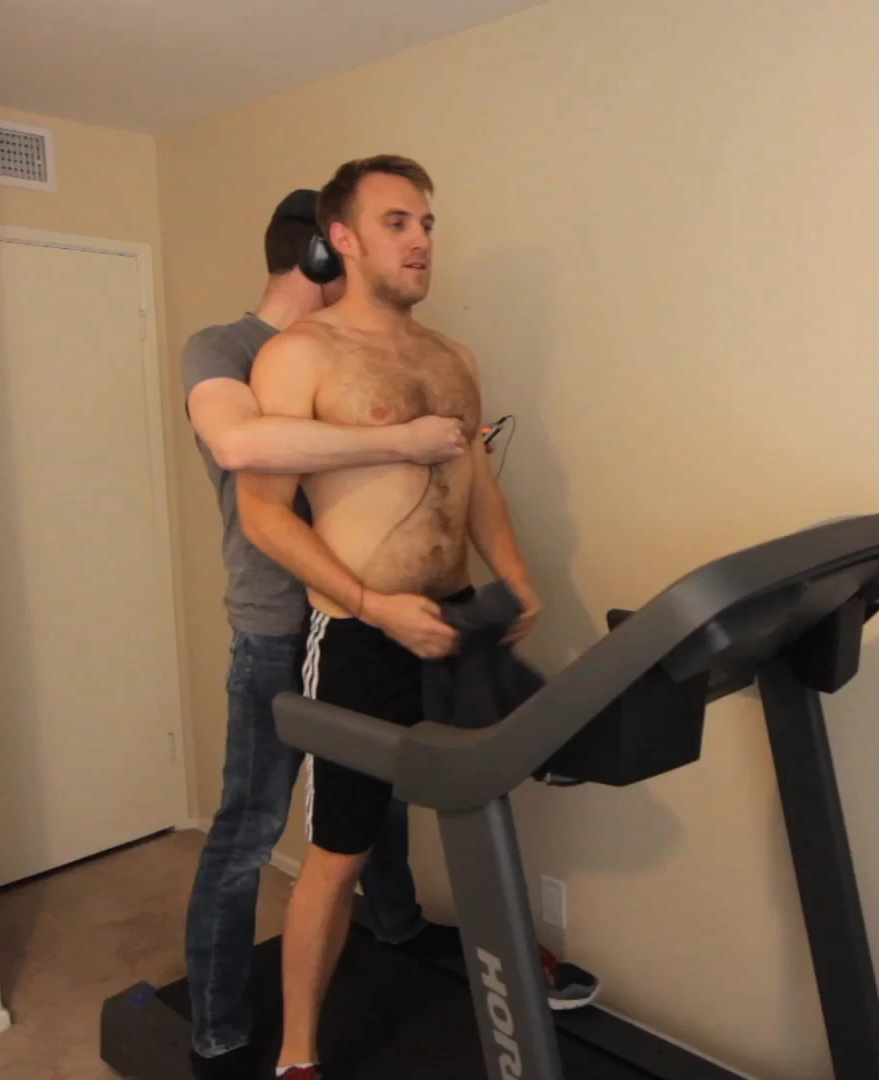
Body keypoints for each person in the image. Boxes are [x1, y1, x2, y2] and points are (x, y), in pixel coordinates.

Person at [237, 156, 565, 1079]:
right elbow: (264, 514)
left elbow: (477, 483)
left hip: (459, 622)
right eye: (397, 222)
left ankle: (510, 966)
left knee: (483, 811)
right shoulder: (299, 355)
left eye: (427, 223)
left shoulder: (454, 358)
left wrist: (515, 576)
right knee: (339, 852)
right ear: (342, 238)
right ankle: (298, 1055)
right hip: (358, 633)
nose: (421, 240)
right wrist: (374, 606)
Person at [179, 188, 469, 1079]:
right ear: (322, 253)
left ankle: (398, 924)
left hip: (364, 621)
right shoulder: (226, 350)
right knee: (253, 826)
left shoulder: (365, 348)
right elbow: (241, 447)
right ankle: (219, 1026)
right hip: (277, 622)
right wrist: (404, 441)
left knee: (374, 807)